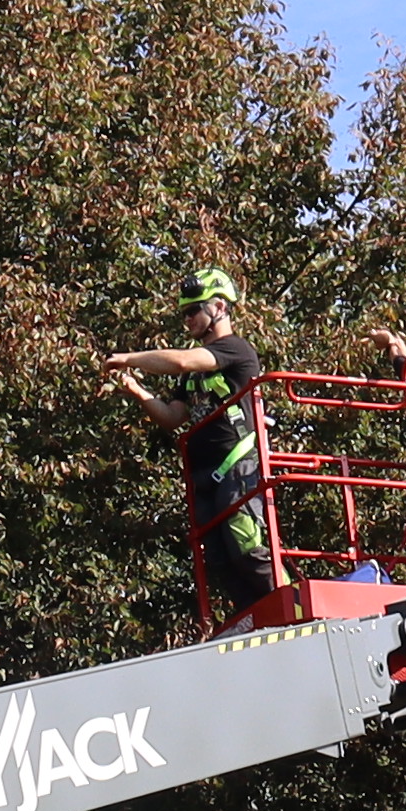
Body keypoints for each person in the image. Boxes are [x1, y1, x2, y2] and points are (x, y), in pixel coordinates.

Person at [101, 263, 284, 623]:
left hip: (238, 464)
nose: (187, 320)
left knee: (246, 544)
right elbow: (173, 417)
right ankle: (254, 616)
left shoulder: (235, 349)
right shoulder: (194, 370)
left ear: (218, 307)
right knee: (218, 556)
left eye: (193, 311)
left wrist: (128, 357)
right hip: (205, 473)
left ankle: (286, 603)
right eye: (184, 313)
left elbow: (184, 361)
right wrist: (138, 391)